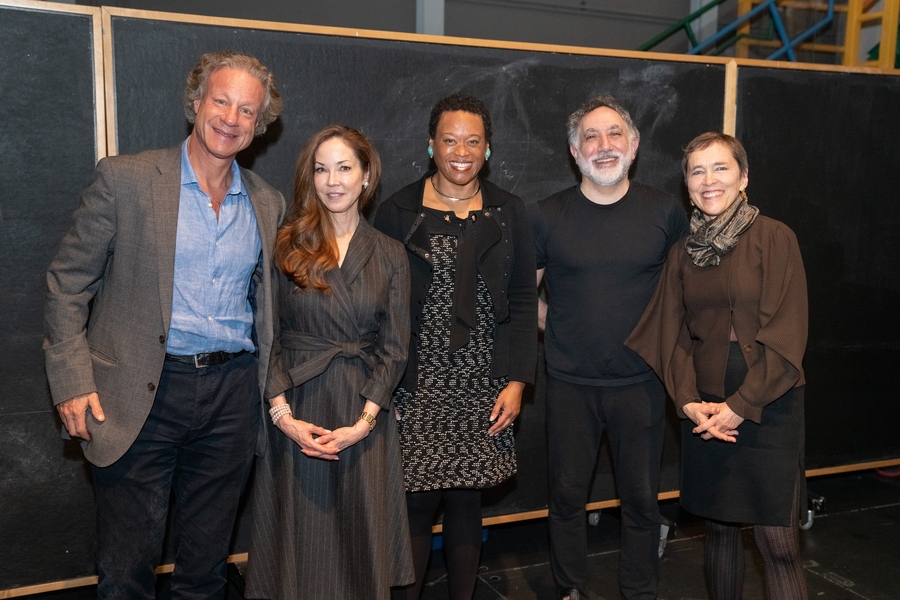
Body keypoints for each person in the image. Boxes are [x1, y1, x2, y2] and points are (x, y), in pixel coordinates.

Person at [43, 52, 284, 598]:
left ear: (259, 125)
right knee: (127, 573)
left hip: (231, 398)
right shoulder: (125, 179)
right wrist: (73, 380)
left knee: (204, 572)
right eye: (221, 100)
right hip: (138, 395)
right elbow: (66, 283)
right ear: (196, 103)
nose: (231, 117)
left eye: (247, 110)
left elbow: (267, 311)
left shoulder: (267, 203)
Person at [626, 132, 808, 599]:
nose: (709, 180)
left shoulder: (775, 237)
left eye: (721, 168)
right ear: (687, 185)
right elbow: (670, 335)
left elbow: (788, 334)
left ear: (744, 177)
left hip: (770, 403)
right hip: (706, 408)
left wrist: (741, 405)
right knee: (721, 536)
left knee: (778, 543)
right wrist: (689, 403)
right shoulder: (682, 253)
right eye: (697, 171)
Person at [374, 93, 537, 600]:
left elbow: (523, 300)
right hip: (415, 380)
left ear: (487, 149)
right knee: (416, 505)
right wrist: (385, 387)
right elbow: (377, 304)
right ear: (431, 145)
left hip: (483, 379)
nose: (460, 151)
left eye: (472, 141)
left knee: (468, 502)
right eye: (449, 140)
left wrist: (516, 381)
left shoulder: (508, 211)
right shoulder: (397, 211)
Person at [244, 125, 414, 599]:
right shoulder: (286, 245)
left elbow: (396, 348)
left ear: (366, 177)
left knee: (359, 549)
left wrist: (365, 420)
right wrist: (282, 416)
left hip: (363, 414)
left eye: (344, 168)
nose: (332, 180)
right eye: (322, 169)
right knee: (299, 552)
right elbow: (266, 334)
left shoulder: (390, 254)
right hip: (298, 407)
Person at [531, 94, 689, 600]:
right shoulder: (546, 215)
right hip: (569, 383)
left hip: (642, 382)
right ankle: (570, 587)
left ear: (634, 146)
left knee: (642, 500)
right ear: (574, 151)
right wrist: (554, 326)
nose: (604, 146)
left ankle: (639, 590)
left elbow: (685, 292)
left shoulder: (665, 211)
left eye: (614, 134)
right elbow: (523, 293)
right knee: (567, 497)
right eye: (591, 137)